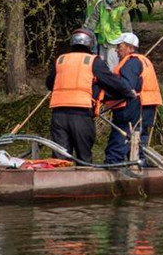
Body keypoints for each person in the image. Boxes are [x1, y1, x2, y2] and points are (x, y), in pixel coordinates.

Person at [46, 28, 135, 163]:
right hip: (81, 114)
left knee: (60, 159)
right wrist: (128, 92)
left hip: (58, 114)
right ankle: (85, 180)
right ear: (90, 44)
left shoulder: (60, 60)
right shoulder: (93, 61)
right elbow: (111, 81)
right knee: (84, 157)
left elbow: (49, 83)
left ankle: (60, 181)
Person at [102, 33, 144, 164]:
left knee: (116, 147)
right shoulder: (136, 62)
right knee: (137, 148)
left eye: (119, 46)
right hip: (140, 110)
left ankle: (111, 171)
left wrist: (104, 95)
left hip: (129, 111)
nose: (116, 50)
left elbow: (127, 88)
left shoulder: (130, 63)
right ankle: (138, 168)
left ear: (130, 48)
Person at [95, 0, 132, 70]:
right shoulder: (101, 5)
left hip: (115, 43)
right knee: (102, 66)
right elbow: (93, 20)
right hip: (103, 41)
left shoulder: (121, 9)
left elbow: (127, 29)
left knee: (113, 67)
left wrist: (126, 45)